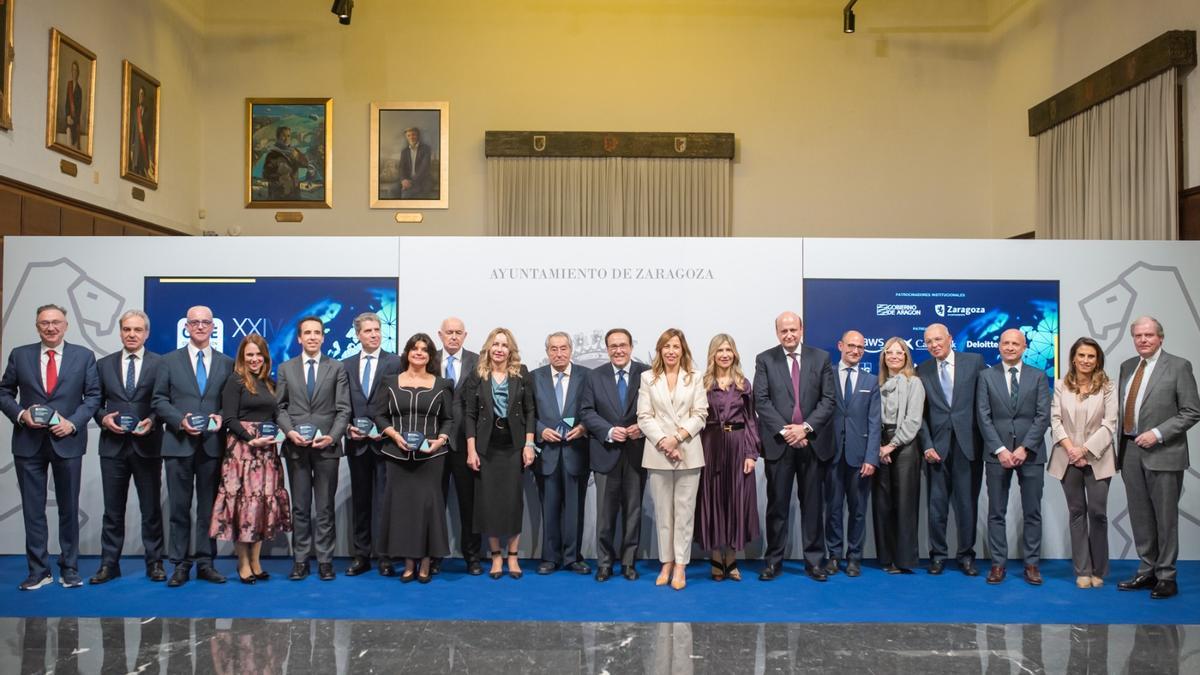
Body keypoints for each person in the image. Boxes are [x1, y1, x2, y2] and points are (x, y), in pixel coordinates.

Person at [0, 304, 100, 590]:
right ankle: (38, 571)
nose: (51, 327)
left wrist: (73, 423)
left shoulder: (83, 356)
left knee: (69, 508)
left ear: (66, 325)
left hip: (67, 441)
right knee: (33, 510)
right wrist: (21, 415)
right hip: (28, 443)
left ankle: (69, 568)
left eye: (56, 322)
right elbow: (4, 392)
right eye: (44, 322)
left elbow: (93, 397)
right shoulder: (20, 355)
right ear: (37, 326)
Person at [1116, 316, 1200, 600]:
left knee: (1165, 518)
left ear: (1160, 338)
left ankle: (1166, 576)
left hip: (1163, 451)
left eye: (1149, 335)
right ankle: (1146, 570)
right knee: (1140, 516)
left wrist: (1158, 434)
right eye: (1138, 335)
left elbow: (1191, 411)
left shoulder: (1178, 366)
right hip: (1129, 451)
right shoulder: (1127, 367)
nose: (1143, 340)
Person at [152, 305, 233, 587]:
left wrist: (221, 416)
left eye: (205, 322)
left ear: (213, 327)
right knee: (178, 508)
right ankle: (180, 564)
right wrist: (178, 420)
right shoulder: (168, 361)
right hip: (178, 443)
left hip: (211, 445)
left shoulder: (227, 363)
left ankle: (205, 562)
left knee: (209, 509)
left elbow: (230, 403)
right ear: (186, 326)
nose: (200, 327)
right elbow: (159, 399)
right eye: (194, 322)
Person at [753, 312, 836, 582]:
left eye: (793, 329)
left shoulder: (820, 357)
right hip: (780, 444)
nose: (789, 335)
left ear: (801, 329)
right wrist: (787, 431)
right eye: (783, 331)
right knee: (777, 506)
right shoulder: (765, 359)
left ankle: (814, 562)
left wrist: (805, 428)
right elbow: (761, 401)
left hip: (812, 443)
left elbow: (828, 400)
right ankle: (773, 561)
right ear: (777, 333)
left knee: (812, 506)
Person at [371, 333, 455, 583]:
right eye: (414, 348)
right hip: (397, 455)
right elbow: (379, 415)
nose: (419, 353)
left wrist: (440, 440)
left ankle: (427, 562)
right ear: (407, 352)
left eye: (424, 349)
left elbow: (449, 419)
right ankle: (408, 563)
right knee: (403, 509)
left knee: (428, 508)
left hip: (431, 456)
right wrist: (395, 436)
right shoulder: (389, 381)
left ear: (430, 356)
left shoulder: (443, 384)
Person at [90, 310, 165, 584]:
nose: (132, 334)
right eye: (127, 329)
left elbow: (163, 402)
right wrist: (102, 418)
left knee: (151, 509)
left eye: (137, 330)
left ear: (146, 333)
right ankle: (109, 564)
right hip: (113, 446)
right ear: (120, 331)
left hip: (148, 446)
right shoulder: (103, 364)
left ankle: (155, 562)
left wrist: (153, 421)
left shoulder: (160, 364)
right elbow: (94, 402)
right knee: (112, 510)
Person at [210, 335, 292, 584]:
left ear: (265, 357)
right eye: (250, 355)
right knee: (242, 507)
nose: (254, 360)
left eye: (259, 355)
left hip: (266, 453)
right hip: (242, 453)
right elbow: (229, 419)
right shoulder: (235, 381)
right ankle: (242, 563)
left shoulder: (270, 383)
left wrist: (284, 433)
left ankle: (256, 561)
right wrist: (249, 438)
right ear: (242, 358)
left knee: (259, 507)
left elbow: (277, 414)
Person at [276, 316, 351, 581]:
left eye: (317, 332)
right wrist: (290, 432)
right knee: (300, 507)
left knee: (324, 508)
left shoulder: (337, 368)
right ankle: (300, 560)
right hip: (296, 447)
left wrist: (331, 437)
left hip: (326, 448)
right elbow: (280, 407)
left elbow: (344, 409)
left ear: (323, 337)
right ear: (299, 338)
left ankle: (325, 561)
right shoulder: (285, 368)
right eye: (307, 333)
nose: (312, 337)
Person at [977, 328, 1051, 585]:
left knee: (1032, 512)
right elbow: (983, 417)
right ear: (999, 346)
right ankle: (998, 565)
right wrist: (1001, 449)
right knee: (996, 512)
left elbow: (1043, 416)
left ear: (1024, 347)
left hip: (1031, 454)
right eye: (1005, 343)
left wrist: (1024, 448)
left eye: (1015, 343)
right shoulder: (986, 376)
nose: (1010, 347)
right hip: (997, 454)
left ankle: (1031, 564)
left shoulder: (1039, 376)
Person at [462, 328, 536, 580]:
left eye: (504, 345)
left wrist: (529, 445)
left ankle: (512, 557)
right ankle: (495, 556)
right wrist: (471, 450)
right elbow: (469, 414)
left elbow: (530, 411)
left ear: (510, 350)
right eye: (495, 344)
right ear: (488, 348)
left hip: (513, 446)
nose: (499, 349)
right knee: (489, 503)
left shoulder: (521, 373)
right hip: (486, 447)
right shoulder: (477, 374)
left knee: (513, 502)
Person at [638, 328, 708, 591]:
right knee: (664, 514)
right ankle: (666, 562)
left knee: (684, 513)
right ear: (660, 350)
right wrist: (664, 443)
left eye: (675, 346)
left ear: (683, 350)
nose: (671, 351)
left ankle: (681, 565)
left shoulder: (694, 377)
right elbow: (644, 416)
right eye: (666, 346)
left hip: (689, 453)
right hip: (658, 454)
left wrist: (676, 438)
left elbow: (700, 414)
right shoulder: (648, 378)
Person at [917, 322, 986, 576]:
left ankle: (966, 556)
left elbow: (984, 404)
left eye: (938, 339)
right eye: (928, 342)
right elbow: (919, 415)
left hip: (969, 446)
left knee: (967, 505)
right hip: (936, 449)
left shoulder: (974, 361)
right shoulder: (921, 370)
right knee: (937, 507)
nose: (934, 345)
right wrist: (927, 445)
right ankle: (937, 556)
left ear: (949, 338)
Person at [579, 328, 649, 582]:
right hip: (605, 453)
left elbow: (659, 408)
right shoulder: (594, 376)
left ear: (631, 347)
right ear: (607, 349)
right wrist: (608, 430)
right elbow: (586, 411)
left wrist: (643, 427)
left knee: (633, 513)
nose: (618, 350)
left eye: (623, 345)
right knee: (605, 516)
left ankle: (629, 563)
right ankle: (605, 564)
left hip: (636, 453)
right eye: (613, 346)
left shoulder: (647, 374)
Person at [1048, 337, 1117, 589]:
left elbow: (1110, 424)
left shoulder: (1108, 387)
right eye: (1082, 355)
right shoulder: (1060, 386)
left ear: (1097, 360)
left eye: (1091, 356)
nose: (1086, 360)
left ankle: (1100, 569)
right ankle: (1083, 569)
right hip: (1067, 458)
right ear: (1073, 358)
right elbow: (1055, 420)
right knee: (1076, 513)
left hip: (1098, 457)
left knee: (1098, 514)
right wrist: (1071, 450)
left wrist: (1085, 450)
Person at [696, 334, 760, 582]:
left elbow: (751, 420)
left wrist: (751, 453)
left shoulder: (744, 384)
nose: (724, 354)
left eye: (728, 350)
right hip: (710, 446)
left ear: (734, 353)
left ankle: (731, 559)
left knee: (735, 500)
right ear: (712, 354)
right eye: (720, 350)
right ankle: (714, 557)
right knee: (712, 500)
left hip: (737, 445)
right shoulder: (702, 384)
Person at [343, 312, 402, 577]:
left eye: (377, 329)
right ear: (358, 335)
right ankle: (361, 555)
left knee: (385, 503)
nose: (374, 334)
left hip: (385, 443)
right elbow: (341, 406)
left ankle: (385, 556)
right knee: (361, 503)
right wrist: (346, 428)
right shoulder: (345, 365)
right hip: (357, 444)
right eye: (368, 331)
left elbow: (401, 405)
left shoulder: (396, 362)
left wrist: (388, 429)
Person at [531, 332, 592, 575]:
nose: (559, 353)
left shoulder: (587, 376)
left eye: (563, 348)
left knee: (575, 510)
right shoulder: (534, 377)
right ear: (547, 352)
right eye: (554, 349)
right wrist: (540, 430)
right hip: (546, 453)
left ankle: (573, 557)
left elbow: (593, 409)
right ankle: (549, 557)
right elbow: (527, 413)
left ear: (571, 350)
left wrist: (585, 427)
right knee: (549, 507)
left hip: (576, 452)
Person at [823, 330, 880, 578]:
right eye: (851, 346)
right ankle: (834, 556)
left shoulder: (871, 381)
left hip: (860, 458)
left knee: (858, 511)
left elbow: (875, 422)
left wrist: (871, 458)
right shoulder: (827, 377)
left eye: (860, 347)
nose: (855, 350)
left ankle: (854, 558)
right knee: (833, 509)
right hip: (831, 455)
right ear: (840, 346)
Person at [872, 337, 926, 574]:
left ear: (906, 357)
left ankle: (903, 560)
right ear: (883, 357)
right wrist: (879, 446)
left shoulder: (914, 383)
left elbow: (913, 421)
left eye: (899, 353)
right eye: (889, 353)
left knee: (904, 505)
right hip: (879, 444)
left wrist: (891, 446)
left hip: (904, 446)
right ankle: (886, 558)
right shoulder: (877, 384)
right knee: (883, 504)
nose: (894, 356)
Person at [436, 316, 482, 575]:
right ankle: (434, 556)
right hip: (434, 445)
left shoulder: (478, 362)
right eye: (449, 332)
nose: (453, 336)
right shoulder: (429, 360)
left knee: (469, 504)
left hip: (467, 444)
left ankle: (472, 556)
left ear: (465, 335)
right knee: (434, 504)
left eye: (458, 332)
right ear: (440, 335)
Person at [262, 126, 309, 200]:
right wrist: (281, 179)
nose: (287, 139)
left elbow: (306, 164)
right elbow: (266, 175)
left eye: (288, 136)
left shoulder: (294, 151)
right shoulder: (272, 155)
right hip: (279, 195)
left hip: (294, 193)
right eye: (283, 136)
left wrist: (297, 157)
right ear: (278, 138)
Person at [399, 126, 434, 198]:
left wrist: (410, 182)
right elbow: (401, 168)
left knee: (406, 195)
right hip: (407, 180)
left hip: (422, 180)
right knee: (392, 190)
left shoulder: (426, 149)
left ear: (418, 136)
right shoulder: (404, 151)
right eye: (409, 135)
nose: (411, 137)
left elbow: (424, 169)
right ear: (406, 137)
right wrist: (403, 180)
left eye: (413, 134)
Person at [64, 61, 83, 149]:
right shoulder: (69, 85)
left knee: (74, 143)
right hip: (68, 120)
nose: (74, 72)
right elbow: (67, 103)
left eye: (75, 70)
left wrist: (74, 120)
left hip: (75, 122)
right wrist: (68, 116)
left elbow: (79, 110)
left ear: (77, 72)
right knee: (68, 131)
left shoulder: (79, 90)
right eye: (73, 70)